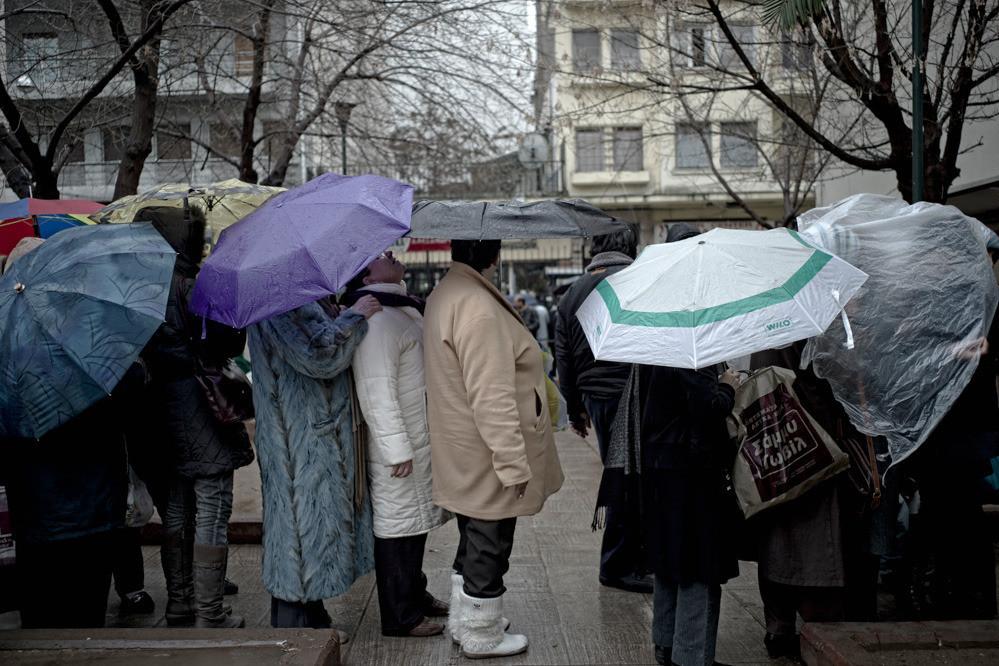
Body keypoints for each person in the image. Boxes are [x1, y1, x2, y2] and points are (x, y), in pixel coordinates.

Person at [423, 239, 564, 659]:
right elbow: (493, 395)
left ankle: (468, 619)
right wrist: (512, 463)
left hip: (463, 443)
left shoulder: (449, 291)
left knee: (475, 535)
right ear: (495, 255)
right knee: (490, 537)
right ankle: (481, 633)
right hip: (485, 449)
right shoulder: (478, 307)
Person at [0, 238, 133, 628]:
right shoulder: (92, 338)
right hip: (94, 514)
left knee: (42, 625)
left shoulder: (5, 349)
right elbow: (130, 395)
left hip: (35, 519)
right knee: (87, 625)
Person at [139, 206, 255, 630]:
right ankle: (209, 610)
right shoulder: (191, 286)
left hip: (156, 407)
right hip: (199, 404)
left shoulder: (137, 288)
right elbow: (225, 342)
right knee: (210, 503)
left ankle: (181, 604)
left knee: (175, 508)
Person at [248, 287, 382, 630]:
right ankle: (297, 625)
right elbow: (318, 355)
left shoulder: (281, 296)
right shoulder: (283, 298)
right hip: (303, 437)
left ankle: (310, 615)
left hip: (299, 433)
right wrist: (355, 317)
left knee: (304, 530)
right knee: (303, 527)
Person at [343, 252, 450, 638]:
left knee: (414, 522)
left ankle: (415, 597)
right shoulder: (378, 319)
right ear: (368, 272)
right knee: (397, 528)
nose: (392, 254)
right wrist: (396, 449)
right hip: (400, 446)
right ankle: (399, 616)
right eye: (382, 255)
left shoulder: (400, 308)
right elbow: (375, 389)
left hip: (417, 437)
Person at [554, 227, 649, 593]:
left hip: (596, 396)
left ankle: (631, 559)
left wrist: (576, 410)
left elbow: (564, 360)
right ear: (630, 247)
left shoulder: (570, 295)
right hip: (633, 392)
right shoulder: (637, 281)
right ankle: (618, 565)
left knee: (621, 474)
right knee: (629, 478)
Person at [748, 343, 850, 658]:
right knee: (812, 547)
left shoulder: (763, 327)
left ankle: (778, 627)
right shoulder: (804, 331)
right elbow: (819, 387)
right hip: (809, 450)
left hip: (773, 451)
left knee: (777, 542)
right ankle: (812, 629)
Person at [641, 364, 742, 666]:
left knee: (671, 561)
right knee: (698, 565)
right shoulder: (693, 353)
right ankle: (691, 655)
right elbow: (707, 407)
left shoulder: (658, 346)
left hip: (663, 464)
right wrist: (728, 387)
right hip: (691, 469)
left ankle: (667, 644)